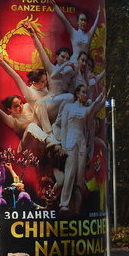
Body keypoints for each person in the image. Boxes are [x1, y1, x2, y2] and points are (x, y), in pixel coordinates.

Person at [51, 82, 106, 214]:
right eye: (83, 92)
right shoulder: (68, 107)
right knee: (69, 174)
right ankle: (64, 204)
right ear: (77, 94)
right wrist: (64, 146)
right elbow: (63, 127)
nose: (85, 95)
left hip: (81, 143)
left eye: (87, 93)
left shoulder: (85, 110)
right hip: (70, 142)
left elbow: (95, 105)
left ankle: (77, 206)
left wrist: (102, 94)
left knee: (80, 177)